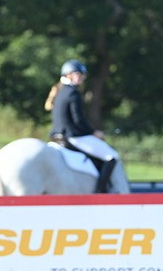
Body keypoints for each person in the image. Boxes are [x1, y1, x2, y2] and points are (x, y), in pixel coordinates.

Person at [48, 59, 121, 192]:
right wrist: (94, 132)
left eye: (82, 75)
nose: (81, 77)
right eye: (78, 74)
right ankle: (101, 191)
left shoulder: (60, 92)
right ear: (68, 74)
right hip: (72, 136)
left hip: (56, 136)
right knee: (112, 156)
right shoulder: (73, 93)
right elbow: (78, 121)